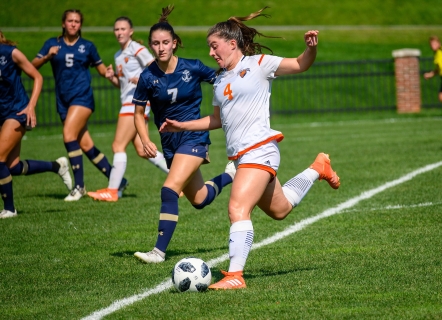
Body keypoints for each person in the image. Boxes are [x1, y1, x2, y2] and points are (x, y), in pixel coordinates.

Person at [160, 7, 340, 290]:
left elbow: (301, 64)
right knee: (280, 210)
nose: (211, 53)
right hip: (243, 157)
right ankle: (318, 168)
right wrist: (182, 126)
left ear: (232, 44)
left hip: (260, 150)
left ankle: (235, 276)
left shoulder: (260, 64)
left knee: (237, 208)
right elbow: (217, 120)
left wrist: (310, 49)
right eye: (209, 47)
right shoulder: (219, 81)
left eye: (214, 46)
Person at [132, 5, 235, 264]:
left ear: (175, 43)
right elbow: (137, 113)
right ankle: (230, 174)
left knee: (169, 190)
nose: (161, 47)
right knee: (200, 199)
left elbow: (225, 80)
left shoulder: (194, 67)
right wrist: (145, 139)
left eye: (166, 42)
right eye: (155, 43)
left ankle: (158, 252)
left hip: (194, 138)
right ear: (150, 46)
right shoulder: (147, 77)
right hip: (169, 143)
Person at [31, 9, 115, 201]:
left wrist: (109, 73)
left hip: (82, 98)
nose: (74, 24)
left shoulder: (87, 46)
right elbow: (31, 65)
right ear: (63, 23)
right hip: (63, 100)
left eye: (77, 21)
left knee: (69, 135)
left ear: (80, 25)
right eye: (70, 21)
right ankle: (117, 180)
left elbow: (102, 70)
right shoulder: (52, 44)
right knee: (85, 144)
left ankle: (79, 187)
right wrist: (47, 56)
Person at [87, 16, 169, 202]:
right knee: (143, 149)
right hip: (130, 102)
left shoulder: (137, 49)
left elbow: (157, 69)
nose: (119, 32)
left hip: (135, 103)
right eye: (116, 29)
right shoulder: (118, 55)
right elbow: (122, 85)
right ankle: (180, 178)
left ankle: (112, 191)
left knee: (118, 145)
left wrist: (142, 80)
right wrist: (111, 78)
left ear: (130, 31)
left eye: (123, 29)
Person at [0, 30, 72, 218]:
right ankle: (57, 166)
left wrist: (31, 106)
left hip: (17, 111)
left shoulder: (10, 53)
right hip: (2, 113)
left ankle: (9, 209)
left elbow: (37, 77)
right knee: (12, 166)